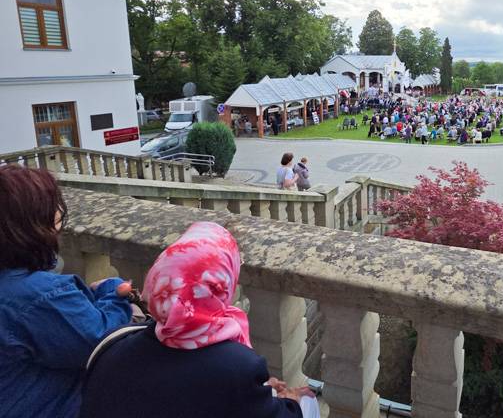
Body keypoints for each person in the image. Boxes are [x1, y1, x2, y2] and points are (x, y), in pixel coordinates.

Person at [79, 222, 313, 418]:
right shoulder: (237, 369)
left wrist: (256, 392)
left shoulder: (112, 345)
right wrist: (291, 401)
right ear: (222, 283)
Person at [0, 166, 132, 418]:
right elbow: (101, 341)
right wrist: (114, 293)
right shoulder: (37, 296)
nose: (59, 213)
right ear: (29, 224)